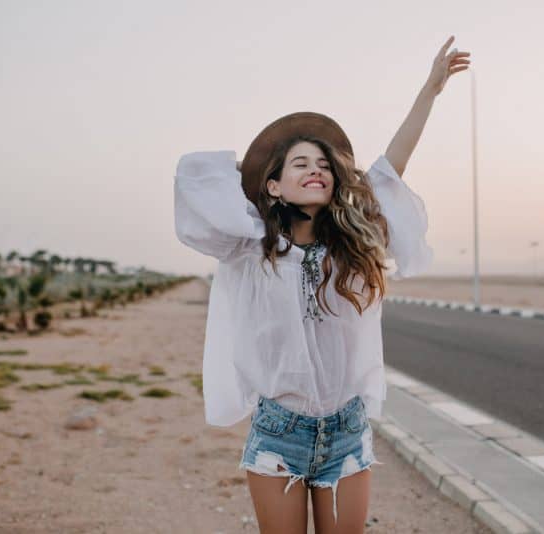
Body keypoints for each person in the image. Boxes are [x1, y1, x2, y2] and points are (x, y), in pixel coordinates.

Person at [173, 35, 470, 534]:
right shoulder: (251, 248)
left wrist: (430, 90)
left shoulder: (351, 248)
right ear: (273, 185)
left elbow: (391, 167)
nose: (316, 170)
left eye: (324, 165)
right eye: (300, 165)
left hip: (346, 432)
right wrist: (257, 180)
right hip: (278, 435)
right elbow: (197, 177)